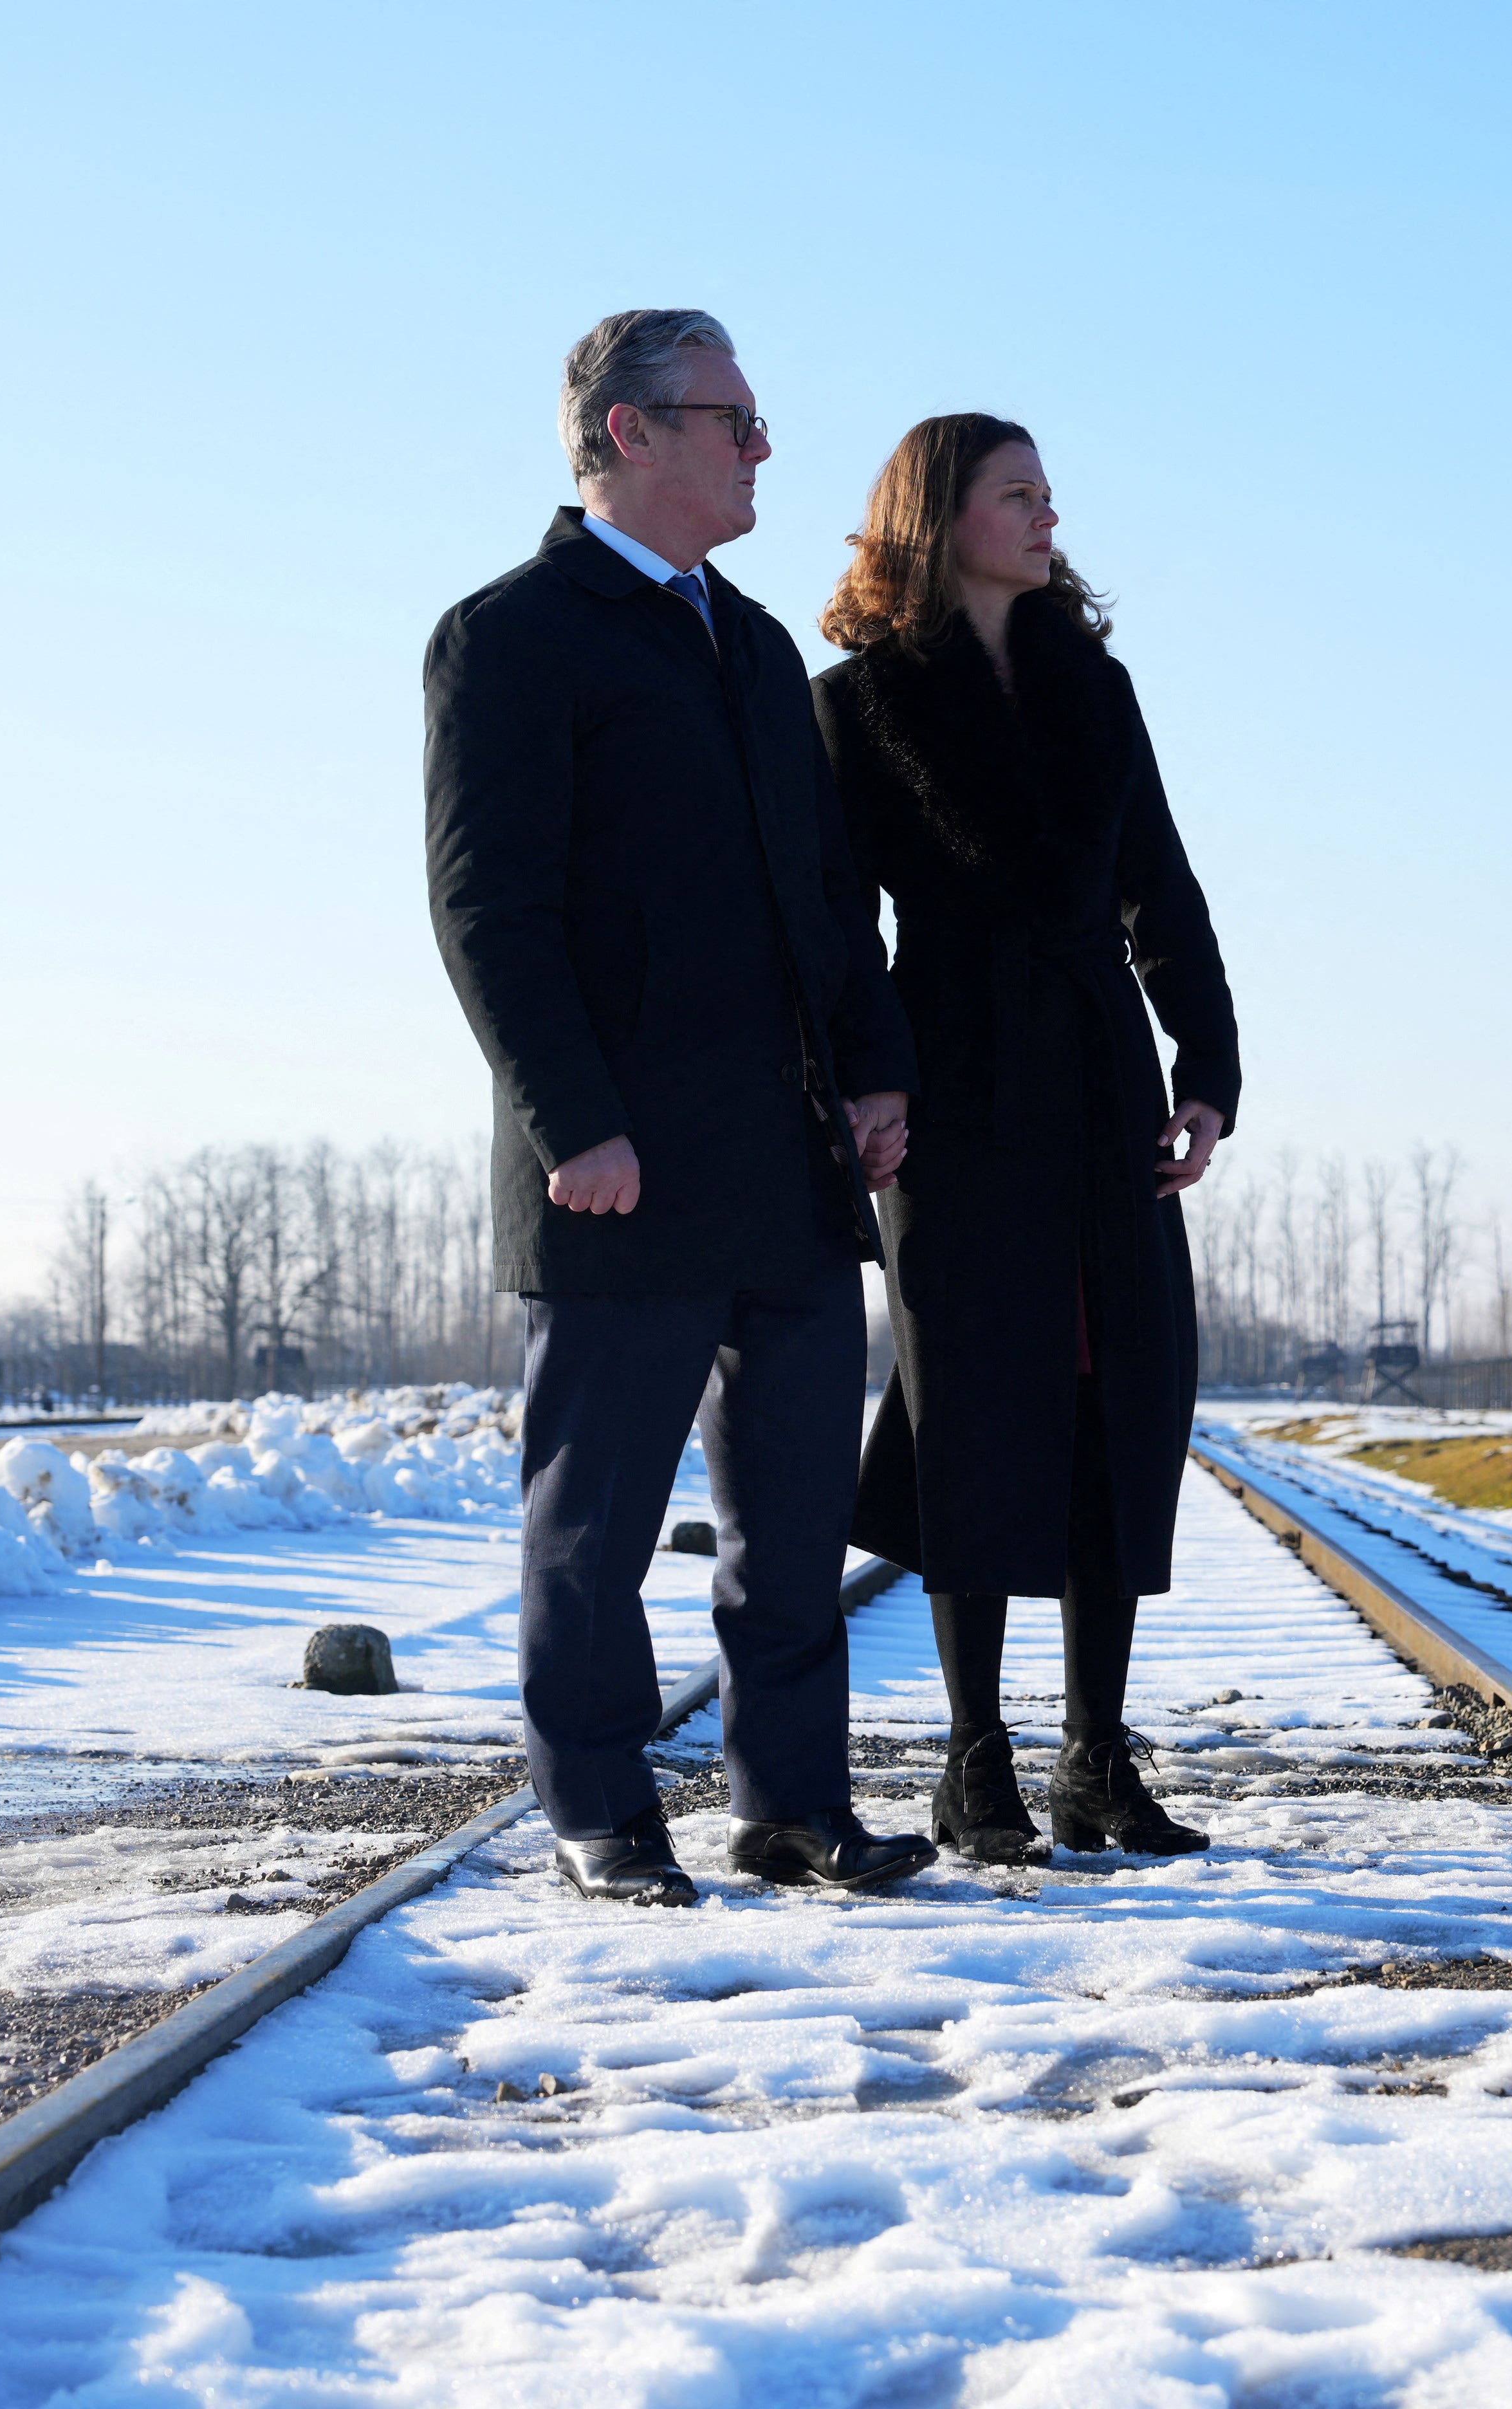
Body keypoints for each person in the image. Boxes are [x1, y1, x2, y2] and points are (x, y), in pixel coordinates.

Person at [426, 309, 936, 1906]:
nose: (761, 448)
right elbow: (487, 909)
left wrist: (873, 1067)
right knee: (597, 1530)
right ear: (625, 433)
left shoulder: (762, 645)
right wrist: (574, 1122)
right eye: (733, 418)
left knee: (791, 1528)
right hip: (618, 1169)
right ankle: (600, 1810)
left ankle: (790, 1807)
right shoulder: (510, 636)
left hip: (783, 1161)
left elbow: (822, 902)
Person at [814, 415, 1242, 1862]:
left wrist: (1209, 1065)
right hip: (947, 1086)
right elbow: (834, 928)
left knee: (1115, 1389)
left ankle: (1096, 1760)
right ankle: (974, 1759)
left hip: (1102, 1081)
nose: (1048, 518)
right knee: (972, 1402)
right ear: (939, 517)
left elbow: (1161, 889)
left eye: (1051, 496)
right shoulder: (858, 704)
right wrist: (869, 1078)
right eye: (1019, 495)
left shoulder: (1095, 687)